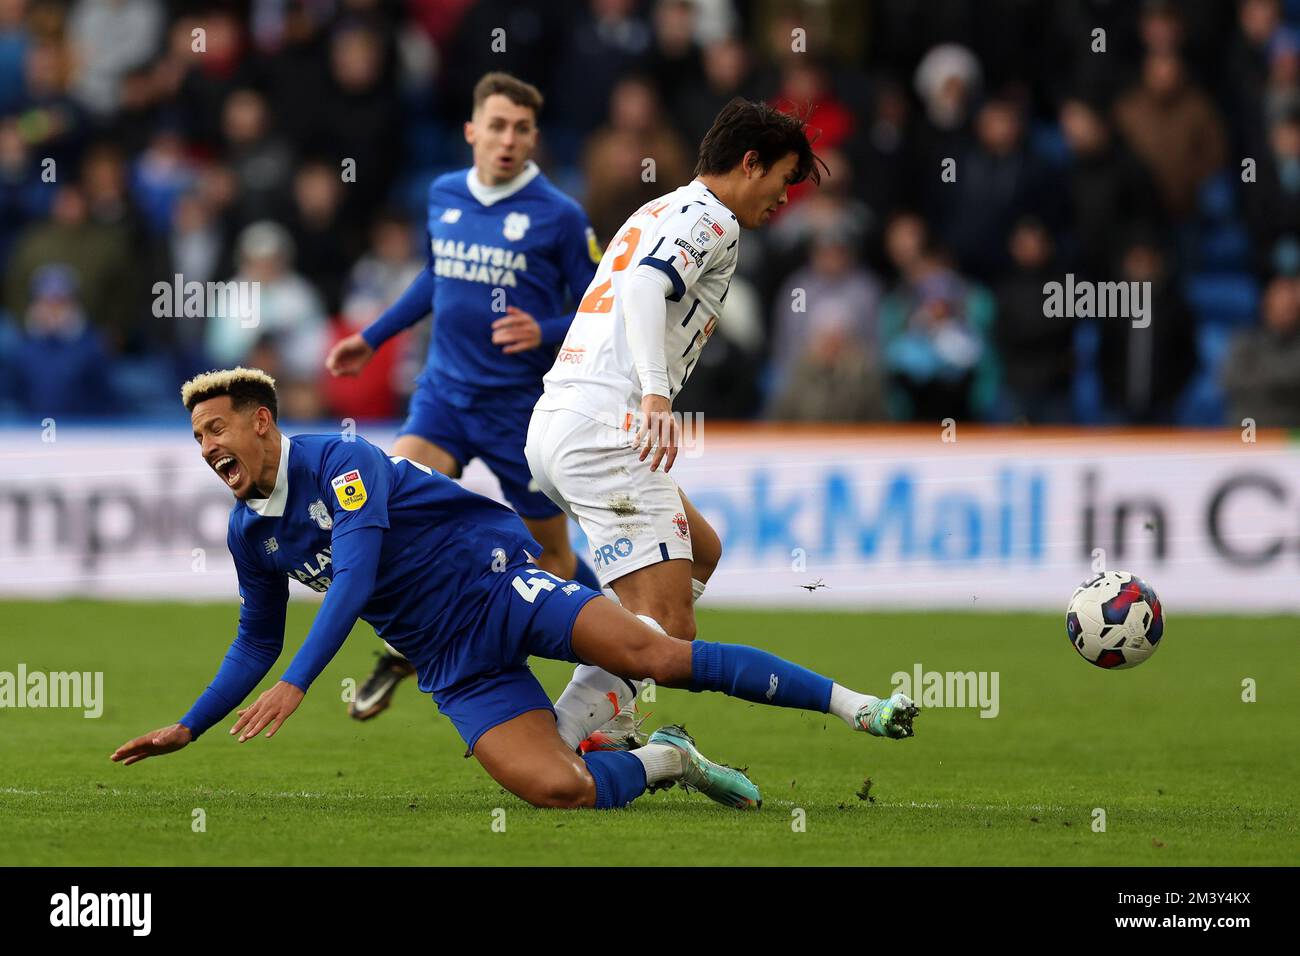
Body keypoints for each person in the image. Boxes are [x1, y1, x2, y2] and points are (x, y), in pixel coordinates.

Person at [109, 368, 919, 812]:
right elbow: (256, 634)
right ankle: (670, 760)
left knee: (659, 654)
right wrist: (190, 725)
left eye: (216, 428)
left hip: (500, 586)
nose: (206, 446)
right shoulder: (249, 531)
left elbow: (353, 579)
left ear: (261, 422)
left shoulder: (341, 464)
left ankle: (856, 706)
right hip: (451, 661)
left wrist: (297, 683)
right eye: (195, 438)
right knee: (555, 789)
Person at [525, 97, 825, 752]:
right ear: (750, 164)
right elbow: (639, 291)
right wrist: (657, 400)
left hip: (558, 420)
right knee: (668, 625)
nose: (784, 199)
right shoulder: (713, 220)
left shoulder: (661, 207)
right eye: (783, 180)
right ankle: (559, 739)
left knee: (703, 552)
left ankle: (609, 717)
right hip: (608, 424)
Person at [324, 73, 603, 720]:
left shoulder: (559, 215)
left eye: (523, 128)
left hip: (517, 413)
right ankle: (409, 647)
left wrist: (545, 329)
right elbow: (435, 274)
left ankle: (598, 646)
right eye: (498, 126)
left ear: (535, 137)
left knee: (554, 556)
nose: (509, 140)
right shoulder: (443, 194)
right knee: (390, 506)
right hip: (443, 396)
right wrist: (373, 336)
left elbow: (600, 304)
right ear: (472, 130)